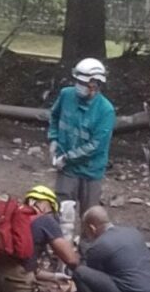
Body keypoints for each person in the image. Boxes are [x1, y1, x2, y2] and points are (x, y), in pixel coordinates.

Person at [48, 57, 116, 213]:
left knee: (90, 216)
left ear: (96, 85)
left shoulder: (106, 110)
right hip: (67, 169)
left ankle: (87, 239)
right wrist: (53, 139)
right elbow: (54, 116)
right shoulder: (66, 95)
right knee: (62, 212)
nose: (79, 86)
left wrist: (66, 158)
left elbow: (96, 146)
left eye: (84, 83)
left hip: (90, 171)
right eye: (78, 81)